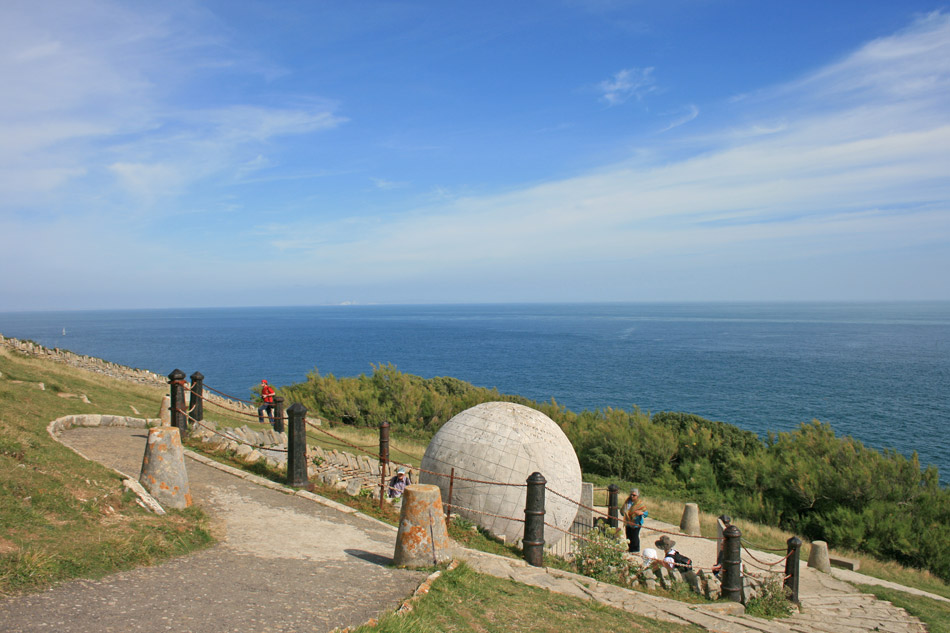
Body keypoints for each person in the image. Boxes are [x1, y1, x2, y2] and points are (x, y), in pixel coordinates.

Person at [621, 488, 648, 553]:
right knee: (628, 535)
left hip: (636, 523)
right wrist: (624, 512)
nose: (632, 496)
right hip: (628, 522)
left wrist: (641, 513)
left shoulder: (640, 503)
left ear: (637, 496)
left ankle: (635, 550)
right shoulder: (627, 502)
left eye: (634, 495)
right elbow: (622, 511)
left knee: (635, 536)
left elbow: (646, 513)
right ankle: (630, 549)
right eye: (631, 495)